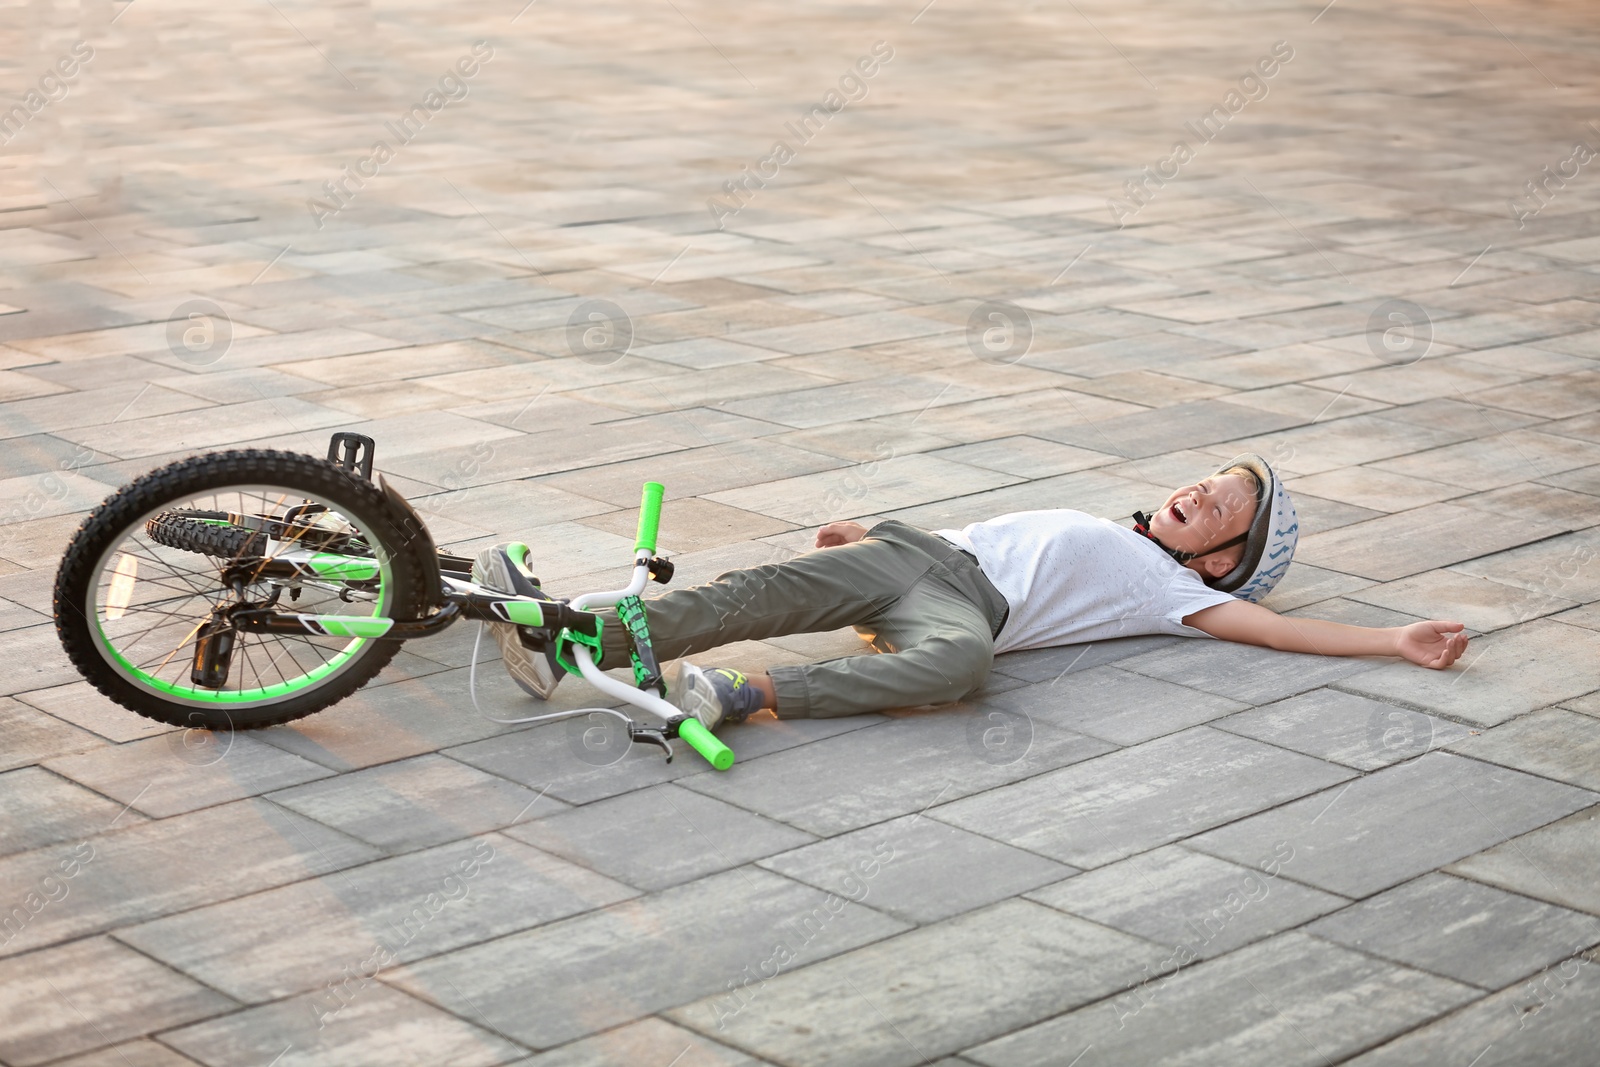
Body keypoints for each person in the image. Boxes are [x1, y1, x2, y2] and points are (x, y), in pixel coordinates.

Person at [471, 453, 1470, 732]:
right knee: (757, 593)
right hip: (916, 553)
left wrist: (1391, 640)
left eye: (1223, 511)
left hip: (958, 610)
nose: (1204, 492)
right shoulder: (1106, 525)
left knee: (964, 666)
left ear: (1220, 562)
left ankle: (743, 697)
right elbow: (976, 534)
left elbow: (1275, 630)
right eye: (1213, 480)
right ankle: (567, 632)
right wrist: (872, 528)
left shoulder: (1175, 593)